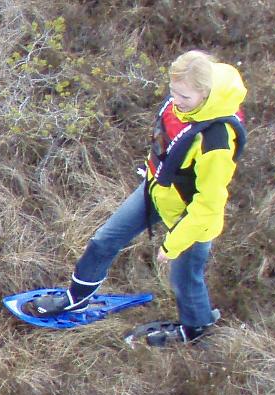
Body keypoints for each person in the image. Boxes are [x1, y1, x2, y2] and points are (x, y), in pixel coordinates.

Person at [24, 50, 248, 346]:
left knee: (185, 278)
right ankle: (76, 299)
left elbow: (208, 205)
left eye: (185, 98)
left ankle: (197, 330)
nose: (177, 102)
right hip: (157, 191)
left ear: (205, 94)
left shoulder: (216, 142)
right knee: (105, 239)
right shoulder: (184, 105)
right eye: (174, 93)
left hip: (190, 218)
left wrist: (173, 244)